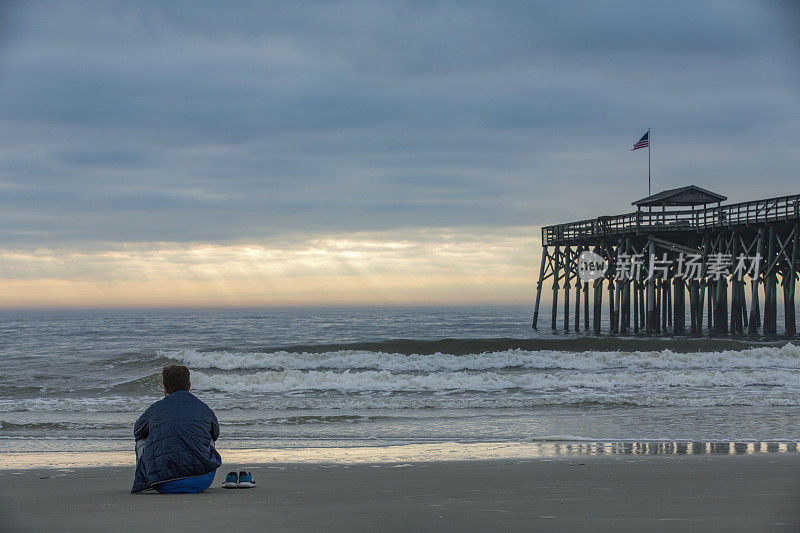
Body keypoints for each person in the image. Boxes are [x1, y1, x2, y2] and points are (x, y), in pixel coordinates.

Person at [131, 365, 222, 494]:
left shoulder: (154, 409)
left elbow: (138, 432)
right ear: (189, 385)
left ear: (164, 387)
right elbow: (215, 434)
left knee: (141, 439)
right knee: (209, 436)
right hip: (202, 480)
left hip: (163, 483)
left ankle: (147, 480)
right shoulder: (204, 408)